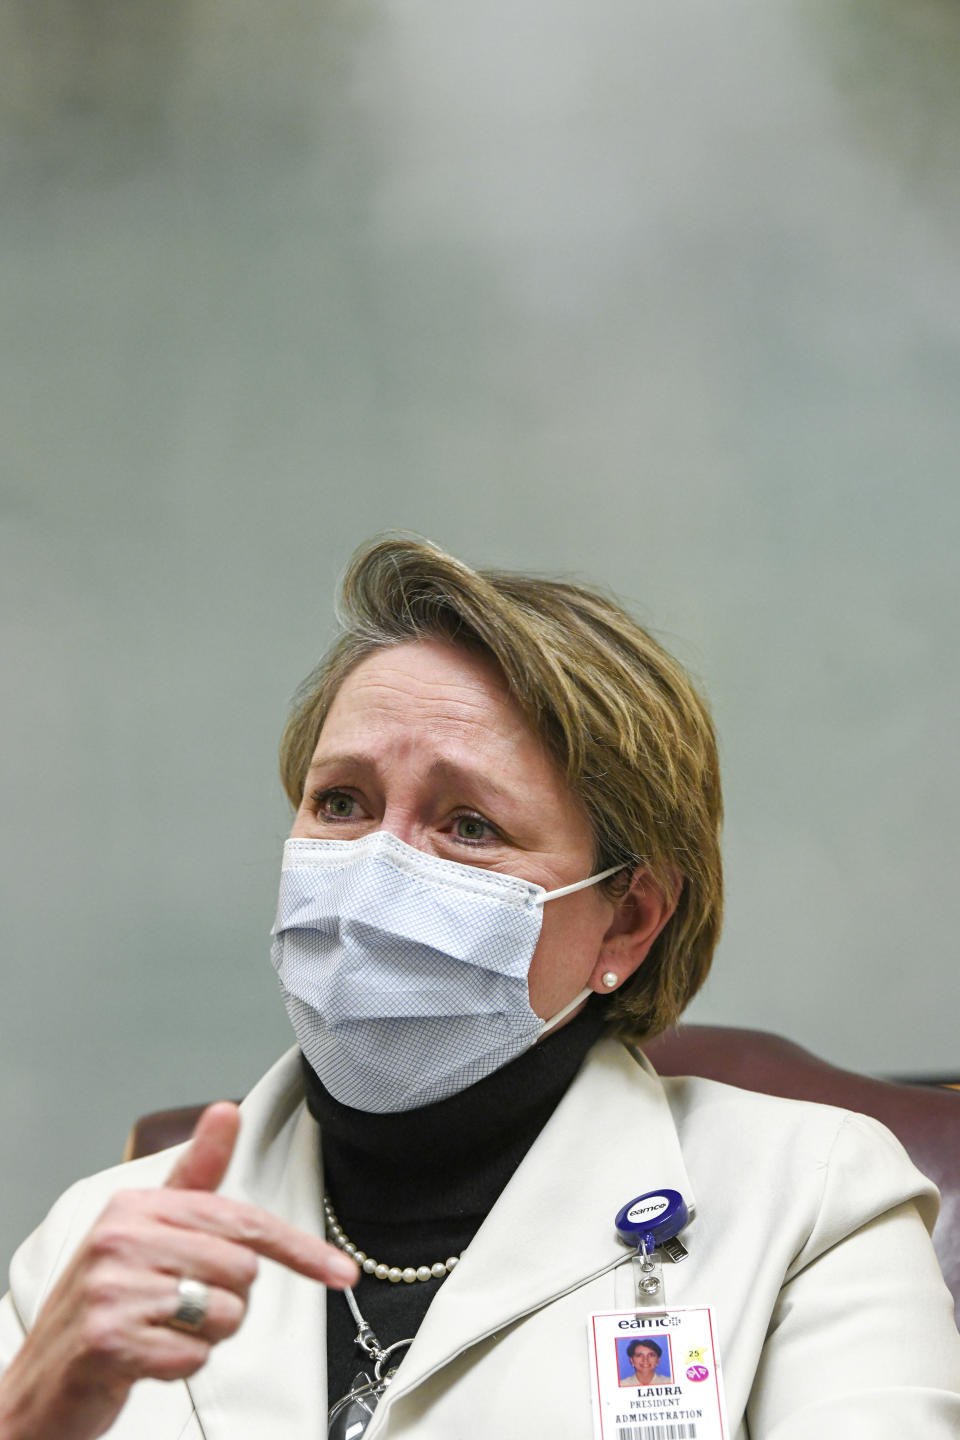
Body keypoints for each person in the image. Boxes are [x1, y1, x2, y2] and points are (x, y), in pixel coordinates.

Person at [1, 536, 960, 1440]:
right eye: (342, 803)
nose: (375, 873)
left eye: (468, 825)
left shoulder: (812, 1203)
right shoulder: (98, 1237)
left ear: (626, 920)